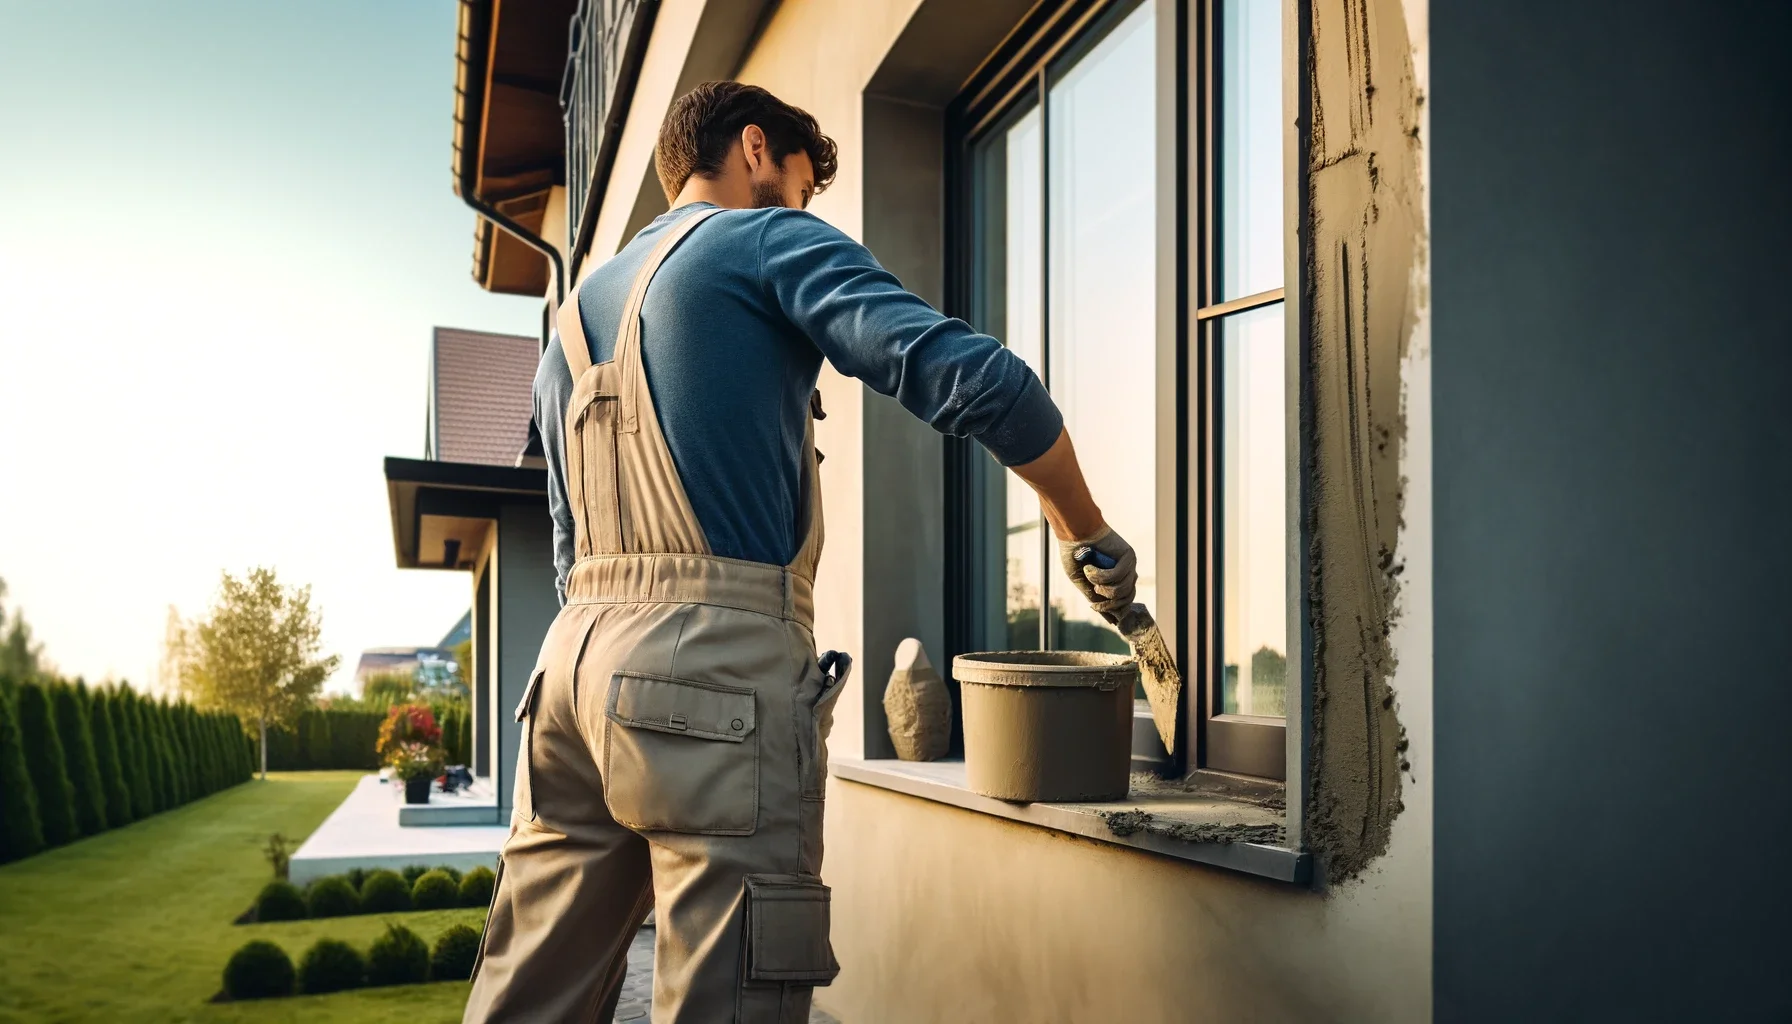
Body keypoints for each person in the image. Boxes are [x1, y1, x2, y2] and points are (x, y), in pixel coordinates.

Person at [463, 81, 1137, 1023]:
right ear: (752, 149)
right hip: (708, 672)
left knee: (526, 997)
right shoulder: (762, 240)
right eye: (803, 187)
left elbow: (568, 542)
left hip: (568, 681)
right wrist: (1083, 527)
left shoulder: (571, 319)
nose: (804, 209)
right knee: (730, 997)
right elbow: (981, 383)